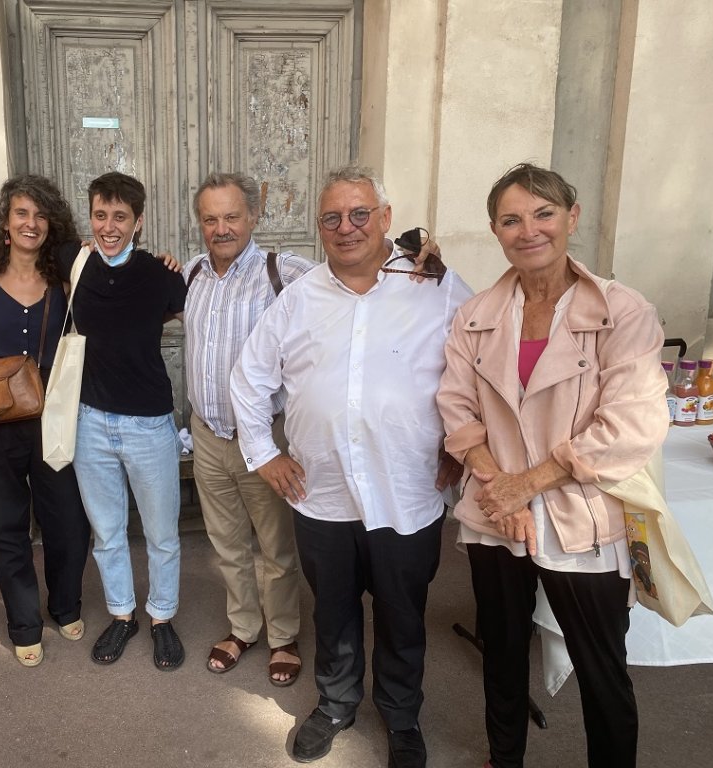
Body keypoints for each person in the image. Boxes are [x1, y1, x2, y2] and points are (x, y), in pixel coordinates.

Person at [231, 165, 471, 766]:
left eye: (360, 214)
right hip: (324, 494)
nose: (347, 228)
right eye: (332, 218)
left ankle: (401, 718)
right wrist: (263, 453)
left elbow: (479, 368)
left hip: (407, 491)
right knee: (334, 613)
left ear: (386, 218)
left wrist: (460, 444)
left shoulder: (436, 286)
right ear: (319, 229)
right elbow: (249, 377)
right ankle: (336, 704)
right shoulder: (300, 297)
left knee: (401, 614)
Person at [437, 163, 668, 768]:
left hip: (582, 518)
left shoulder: (622, 310)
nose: (528, 230)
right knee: (504, 653)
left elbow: (630, 426)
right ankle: (503, 756)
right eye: (511, 219)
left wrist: (526, 486)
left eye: (543, 214)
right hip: (495, 514)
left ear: (572, 217)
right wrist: (497, 486)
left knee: (602, 670)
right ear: (495, 229)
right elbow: (456, 406)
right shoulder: (477, 314)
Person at [182, 172, 314, 685]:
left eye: (232, 216)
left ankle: (283, 635)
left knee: (276, 549)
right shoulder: (191, 273)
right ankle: (243, 627)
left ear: (254, 216)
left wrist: (409, 258)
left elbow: (355, 277)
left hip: (265, 440)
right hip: (208, 436)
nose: (222, 228)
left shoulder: (287, 274)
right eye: (211, 218)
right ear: (200, 223)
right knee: (228, 544)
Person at [0, 175, 91, 667]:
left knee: (68, 522)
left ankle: (65, 604)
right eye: (21, 214)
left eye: (40, 215)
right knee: (5, 526)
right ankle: (23, 622)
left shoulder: (68, 282)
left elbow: (124, 270)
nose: (31, 223)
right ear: (6, 223)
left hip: (51, 420)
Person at [67, 171, 188, 670]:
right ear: (90, 216)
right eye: (100, 215)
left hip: (148, 425)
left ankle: (161, 617)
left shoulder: (162, 276)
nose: (109, 226)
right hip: (89, 422)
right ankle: (122, 615)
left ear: (138, 221)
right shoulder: (74, 265)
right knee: (108, 532)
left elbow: (202, 317)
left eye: (120, 217)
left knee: (161, 533)